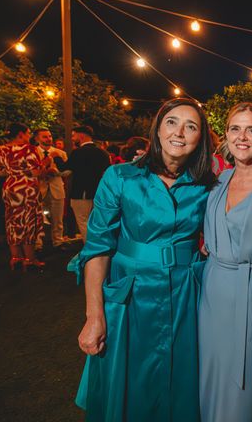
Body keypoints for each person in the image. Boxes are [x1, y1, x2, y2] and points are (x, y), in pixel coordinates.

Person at [68, 98, 215, 421]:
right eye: (172, 122)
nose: (180, 132)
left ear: (200, 138)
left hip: (186, 296)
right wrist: (94, 316)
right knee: (129, 386)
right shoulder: (119, 177)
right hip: (130, 298)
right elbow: (98, 248)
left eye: (191, 126)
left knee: (180, 384)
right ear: (158, 129)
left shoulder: (207, 187)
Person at [198, 103, 252, 422]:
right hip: (211, 293)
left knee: (245, 384)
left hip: (251, 294)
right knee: (209, 375)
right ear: (226, 137)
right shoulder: (216, 183)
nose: (243, 137)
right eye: (235, 129)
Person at [0, 122, 49, 270]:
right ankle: (30, 259)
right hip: (26, 188)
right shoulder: (29, 149)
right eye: (27, 133)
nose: (29, 136)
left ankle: (16, 257)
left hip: (10, 187)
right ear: (20, 134)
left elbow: (1, 172)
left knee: (12, 221)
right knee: (28, 222)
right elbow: (36, 172)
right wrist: (46, 163)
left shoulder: (2, 150)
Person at [60, 126, 110, 241]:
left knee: (83, 221)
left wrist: (56, 158)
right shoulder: (103, 153)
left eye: (73, 135)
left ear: (81, 136)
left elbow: (64, 168)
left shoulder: (78, 153)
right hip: (99, 192)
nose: (72, 138)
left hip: (81, 192)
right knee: (97, 222)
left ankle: (91, 249)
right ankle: (101, 246)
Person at [34, 128, 68, 249]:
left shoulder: (60, 153)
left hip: (56, 188)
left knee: (57, 219)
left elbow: (67, 172)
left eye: (49, 136)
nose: (49, 139)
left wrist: (57, 172)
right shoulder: (33, 152)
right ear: (37, 138)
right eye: (45, 137)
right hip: (39, 189)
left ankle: (58, 242)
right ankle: (38, 243)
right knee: (37, 218)